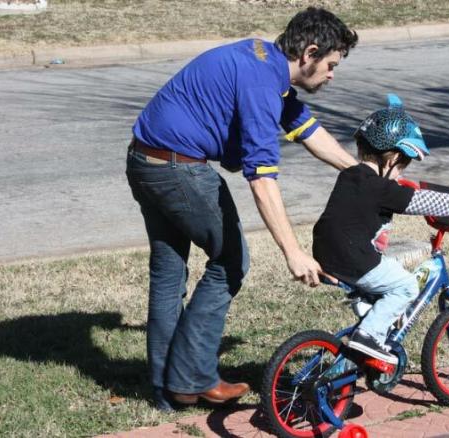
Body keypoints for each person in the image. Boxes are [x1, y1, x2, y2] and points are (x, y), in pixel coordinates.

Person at [126, 7, 358, 411]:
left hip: (144, 159)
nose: (332, 74)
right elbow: (262, 180)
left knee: (169, 271)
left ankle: (166, 389)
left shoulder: (263, 61)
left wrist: (361, 174)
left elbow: (309, 131)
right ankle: (192, 379)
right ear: (310, 52)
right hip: (179, 170)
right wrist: (294, 252)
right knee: (230, 261)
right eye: (331, 65)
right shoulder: (261, 85)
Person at [312, 94, 449, 364]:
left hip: (326, 250)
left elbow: (392, 195)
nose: (401, 172)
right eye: (402, 164)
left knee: (382, 276)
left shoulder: (352, 175)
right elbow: (418, 201)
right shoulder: (380, 187)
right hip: (352, 256)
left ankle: (368, 320)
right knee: (405, 286)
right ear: (390, 157)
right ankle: (368, 336)